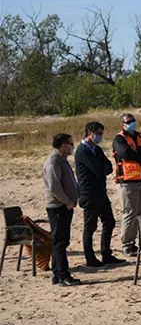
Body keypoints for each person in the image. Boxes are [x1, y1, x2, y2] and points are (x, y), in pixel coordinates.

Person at [74, 121, 124, 267]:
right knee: (90, 226)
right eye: (99, 134)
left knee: (109, 222)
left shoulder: (97, 149)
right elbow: (98, 169)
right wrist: (102, 169)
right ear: (90, 132)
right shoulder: (83, 151)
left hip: (101, 192)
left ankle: (106, 253)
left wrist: (103, 169)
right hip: (89, 193)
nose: (100, 137)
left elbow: (108, 167)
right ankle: (90, 258)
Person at [112, 113, 141, 257]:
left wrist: (139, 153)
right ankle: (127, 244)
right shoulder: (119, 139)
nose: (132, 123)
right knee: (129, 213)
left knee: (140, 213)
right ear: (123, 124)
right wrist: (140, 154)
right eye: (129, 121)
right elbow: (126, 153)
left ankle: (136, 242)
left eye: (133, 121)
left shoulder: (138, 137)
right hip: (127, 183)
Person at [43, 133, 81, 286]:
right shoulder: (54, 162)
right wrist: (67, 202)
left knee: (60, 240)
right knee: (60, 241)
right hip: (58, 207)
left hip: (64, 206)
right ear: (64, 145)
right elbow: (54, 187)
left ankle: (57, 273)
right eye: (71, 143)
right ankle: (62, 275)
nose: (72, 146)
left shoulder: (61, 160)